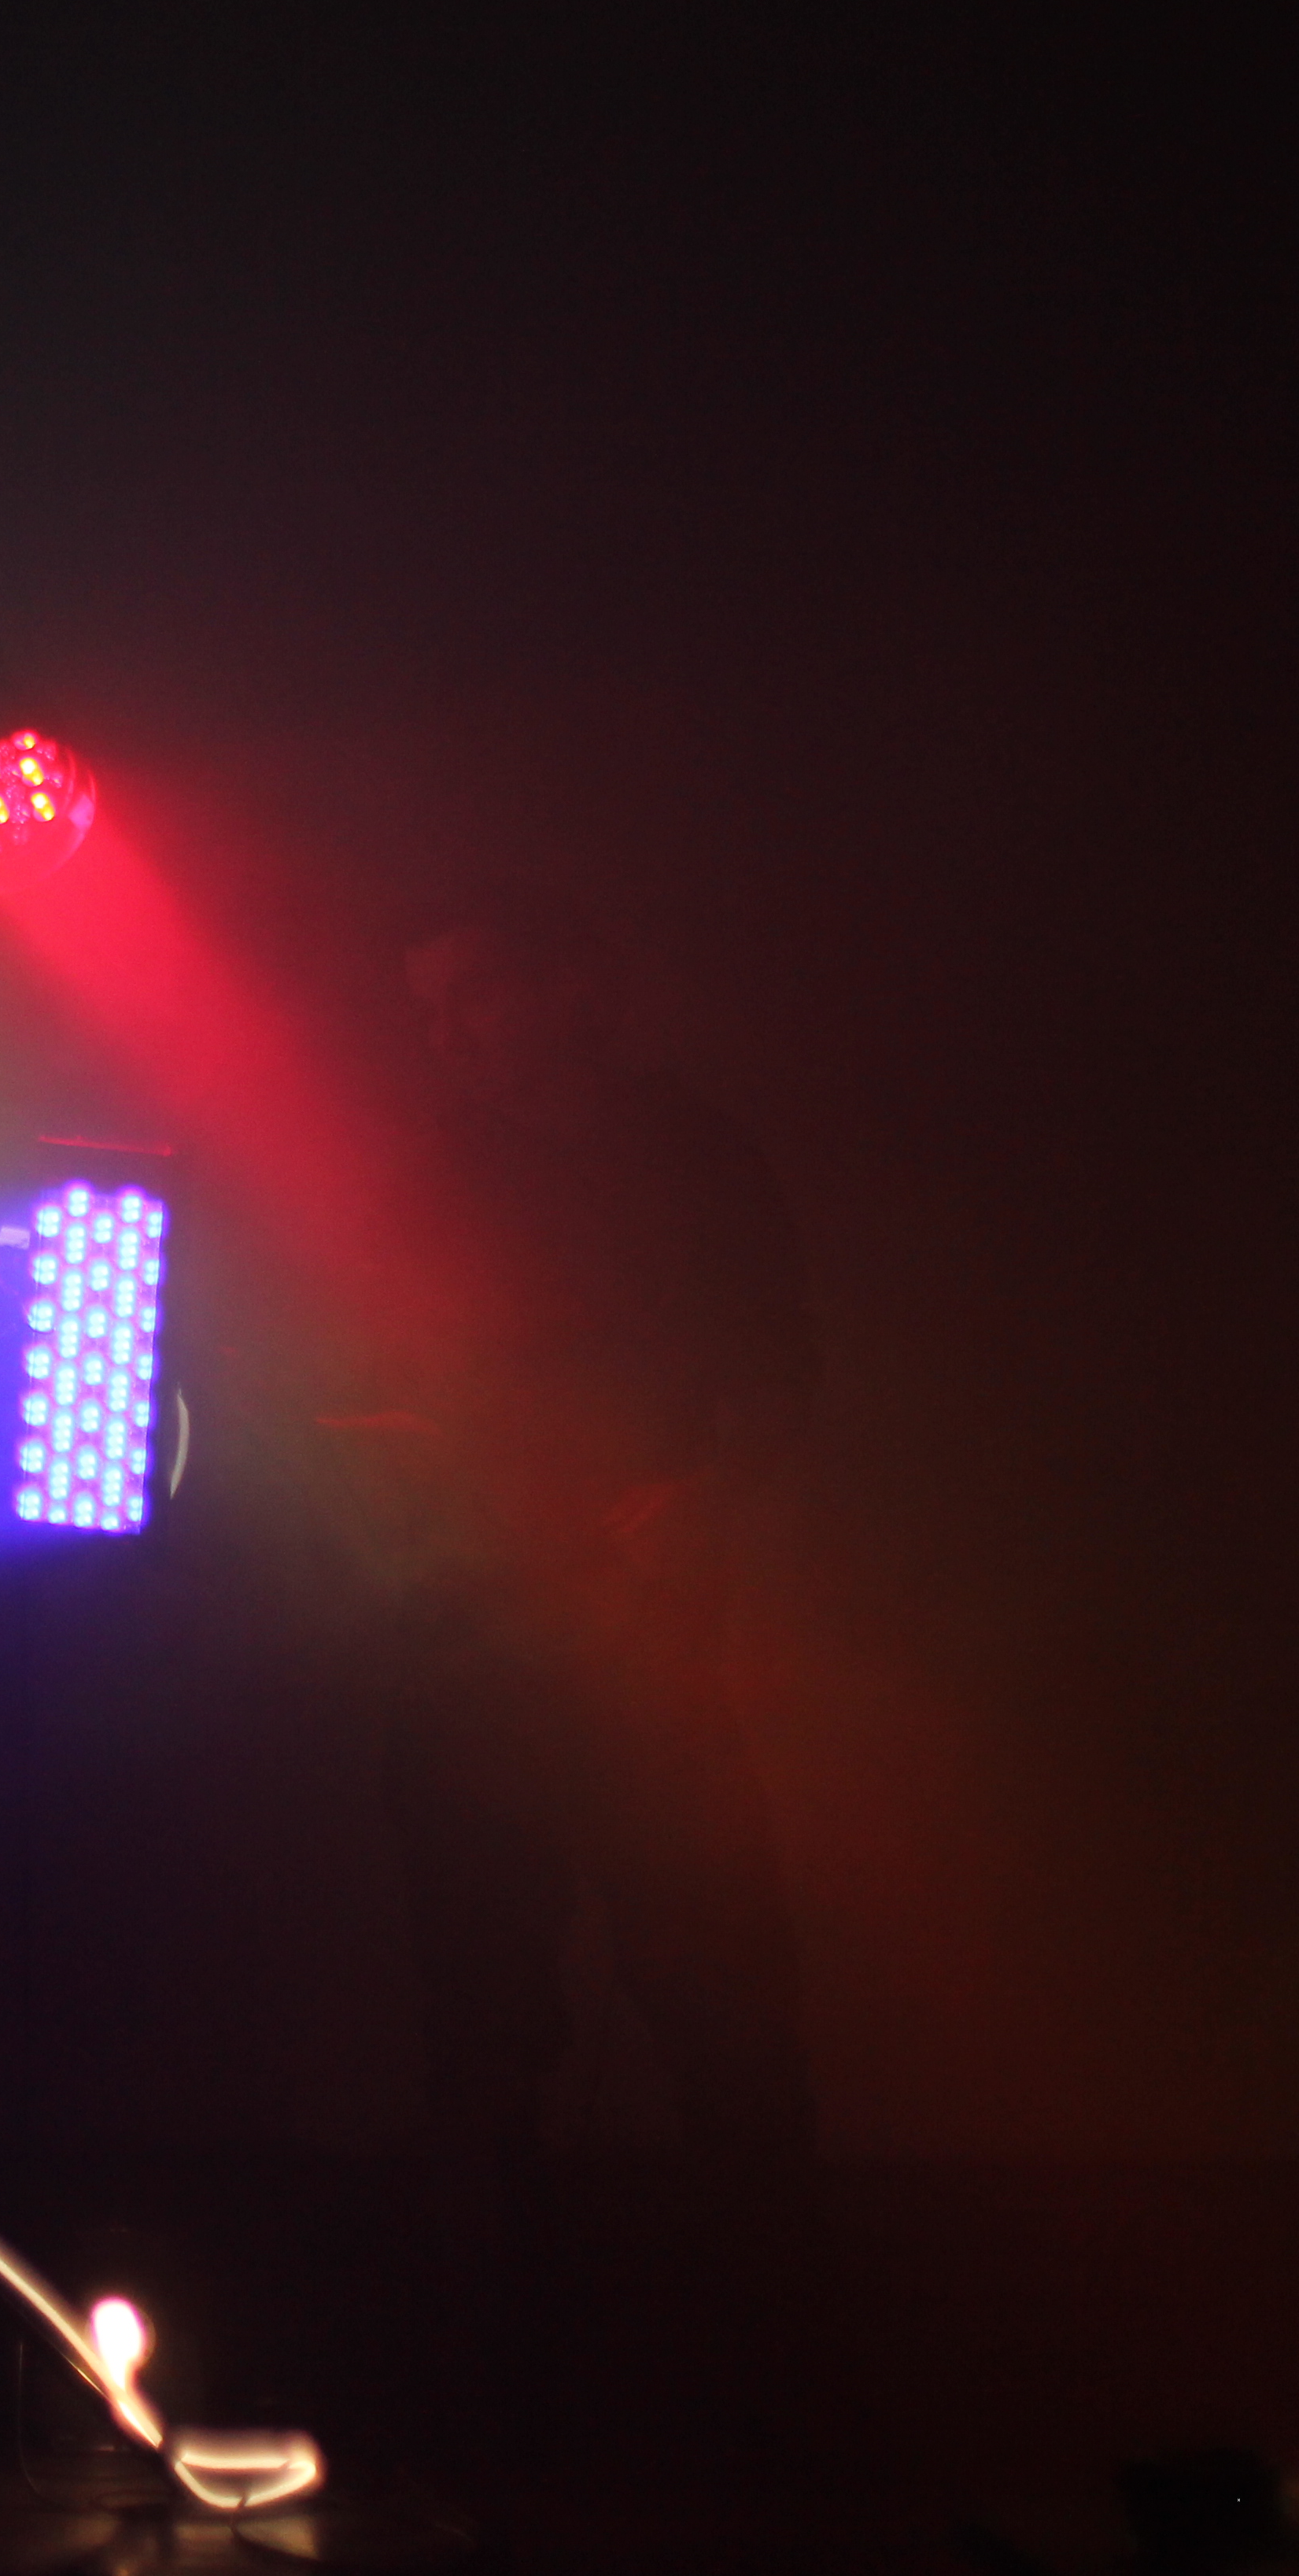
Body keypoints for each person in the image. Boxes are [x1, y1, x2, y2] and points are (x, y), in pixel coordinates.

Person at [342, 893, 821, 2183]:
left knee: (724, 1996)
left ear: (569, 991)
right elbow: (343, 1370)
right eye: (428, 1010)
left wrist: (708, 1496)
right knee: (483, 2008)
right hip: (469, 1643)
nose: (446, 1035)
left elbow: (781, 1377)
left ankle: (770, 2285)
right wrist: (385, 1452)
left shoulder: (695, 1161)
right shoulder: (428, 1170)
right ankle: (501, 2290)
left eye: (472, 997)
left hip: (643, 1645)